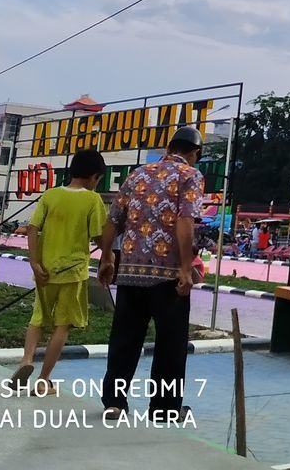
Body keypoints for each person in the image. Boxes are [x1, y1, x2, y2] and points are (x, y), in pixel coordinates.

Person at [98, 126, 206, 421]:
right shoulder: (190, 176)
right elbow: (185, 221)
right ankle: (165, 409)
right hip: (167, 276)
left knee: (124, 339)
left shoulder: (138, 174)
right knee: (170, 344)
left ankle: (114, 403)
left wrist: (106, 257)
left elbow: (112, 220)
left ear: (170, 147)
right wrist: (185, 267)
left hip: (130, 273)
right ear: (194, 153)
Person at [11, 149, 108, 396]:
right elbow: (99, 235)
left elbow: (32, 228)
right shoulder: (92, 200)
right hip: (73, 271)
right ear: (94, 176)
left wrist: (35, 262)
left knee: (38, 318)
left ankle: (26, 360)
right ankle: (43, 381)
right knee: (62, 326)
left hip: (45, 270)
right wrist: (111, 250)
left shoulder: (50, 195)